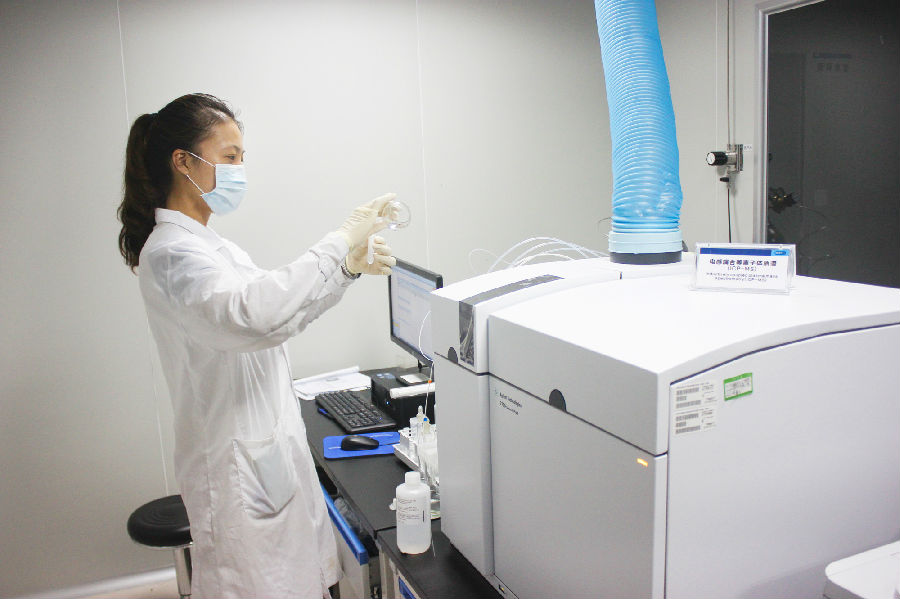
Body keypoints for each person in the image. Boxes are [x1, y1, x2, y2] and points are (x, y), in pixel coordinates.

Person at [117, 93, 396, 598]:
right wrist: (338, 241)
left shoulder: (216, 248)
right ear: (183, 162)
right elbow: (252, 315)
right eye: (229, 157)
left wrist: (346, 270)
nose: (239, 170)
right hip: (234, 473)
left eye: (242, 157)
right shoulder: (172, 255)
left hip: (266, 460)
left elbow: (280, 318)